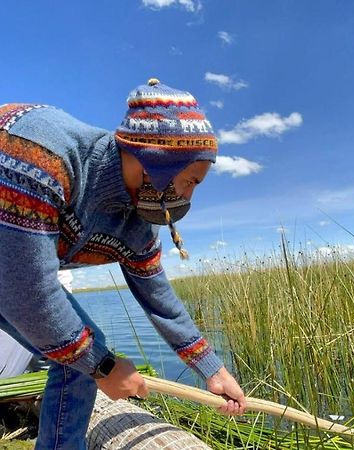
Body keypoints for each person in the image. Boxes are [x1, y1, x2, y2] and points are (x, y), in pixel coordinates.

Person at [0, 78, 247, 449]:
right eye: (190, 181)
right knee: (86, 354)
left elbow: (159, 299)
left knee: (81, 352)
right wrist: (104, 368)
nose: (188, 196)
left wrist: (214, 371)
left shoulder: (135, 224)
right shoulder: (42, 153)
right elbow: (26, 289)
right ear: (159, 161)